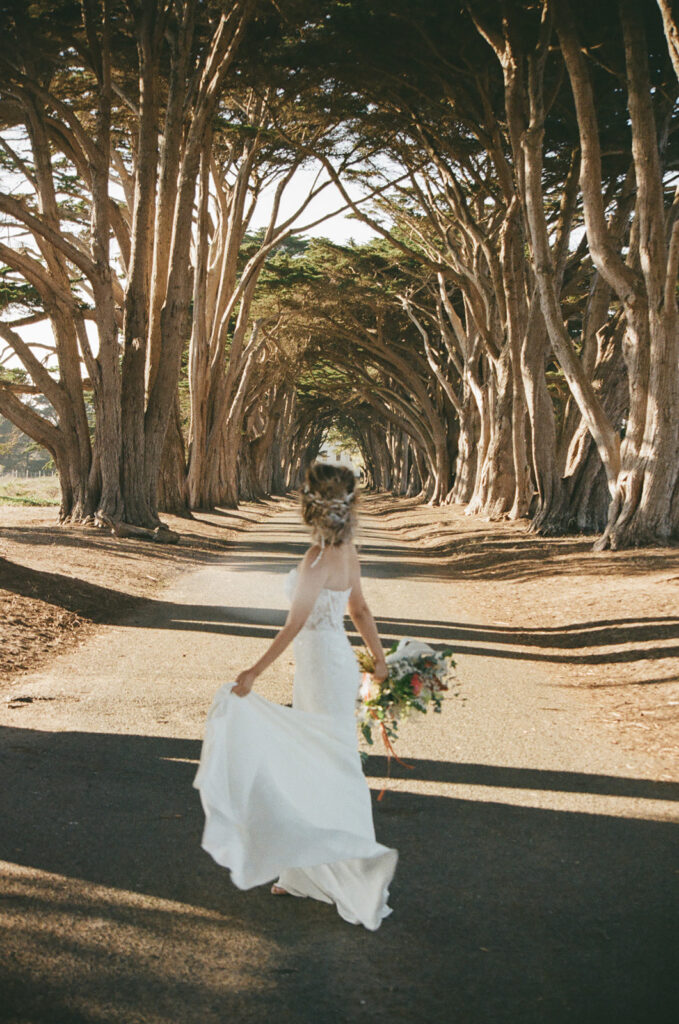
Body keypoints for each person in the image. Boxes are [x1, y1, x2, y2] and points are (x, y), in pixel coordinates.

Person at [193, 462, 398, 931]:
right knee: (327, 758)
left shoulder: (316, 559)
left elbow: (295, 624)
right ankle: (303, 872)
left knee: (326, 763)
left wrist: (253, 673)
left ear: (310, 507)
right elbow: (360, 609)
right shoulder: (348, 552)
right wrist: (379, 659)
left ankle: (347, 869)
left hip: (321, 668)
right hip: (335, 664)